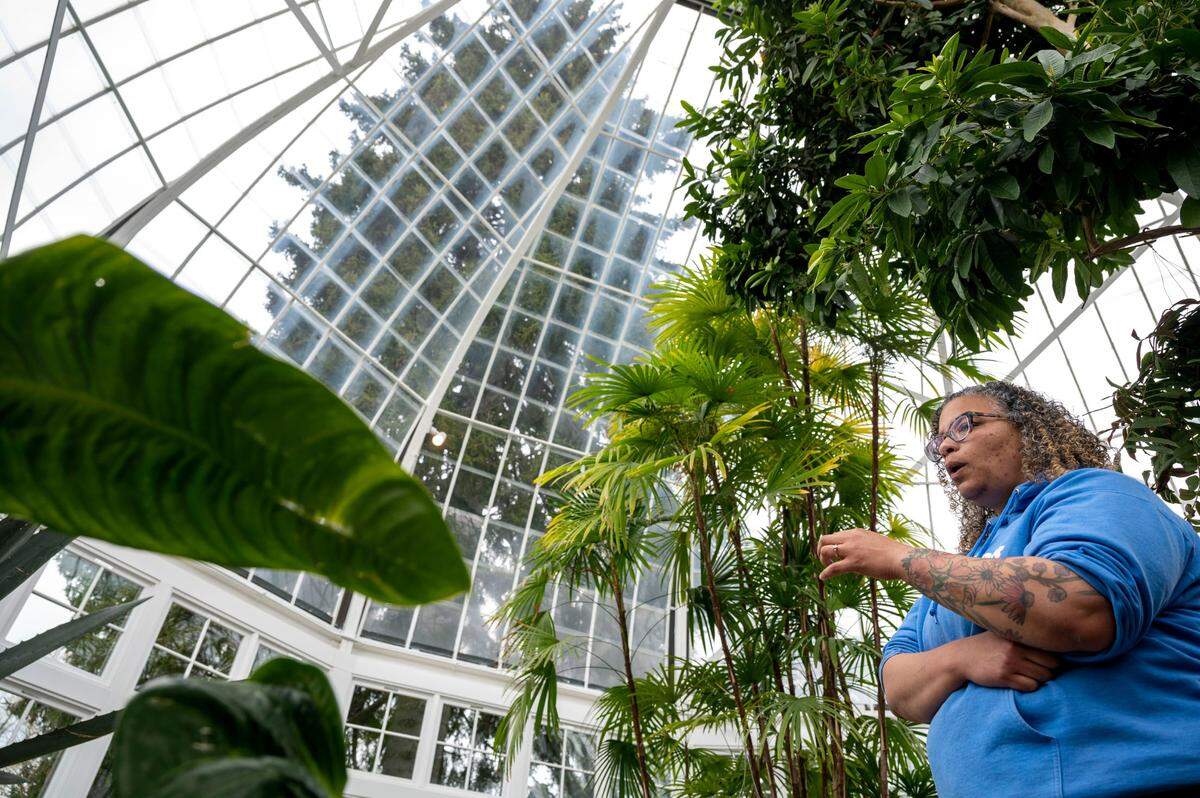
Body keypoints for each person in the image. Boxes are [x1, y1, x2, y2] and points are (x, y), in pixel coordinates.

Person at [815, 381, 1200, 798]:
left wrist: (900, 559)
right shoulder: (959, 565)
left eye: (963, 426)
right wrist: (962, 658)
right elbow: (898, 687)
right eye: (938, 441)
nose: (945, 448)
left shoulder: (1098, 493)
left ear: (1026, 426)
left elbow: (1078, 608)